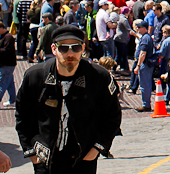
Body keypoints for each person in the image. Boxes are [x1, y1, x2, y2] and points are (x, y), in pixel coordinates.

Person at [15, 24, 122, 173]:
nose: (70, 53)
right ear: (54, 49)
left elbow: (112, 116)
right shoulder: (36, 76)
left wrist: (96, 149)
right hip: (46, 158)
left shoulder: (98, 77)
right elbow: (23, 116)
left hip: (83, 158)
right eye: (63, 48)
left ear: (83, 49)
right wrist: (31, 151)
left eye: (76, 48)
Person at [133, 19, 159, 112]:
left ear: (144, 28)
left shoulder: (145, 38)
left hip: (145, 64)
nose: (138, 29)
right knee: (146, 84)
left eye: (139, 27)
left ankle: (146, 104)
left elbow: (142, 53)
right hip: (147, 64)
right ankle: (146, 103)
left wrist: (138, 65)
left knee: (144, 84)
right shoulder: (146, 37)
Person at [0, 22, 17, 107]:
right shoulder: (3, 36)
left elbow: (7, 50)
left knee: (2, 83)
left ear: (1, 28)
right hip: (5, 64)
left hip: (8, 64)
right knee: (9, 83)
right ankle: (13, 100)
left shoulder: (8, 37)